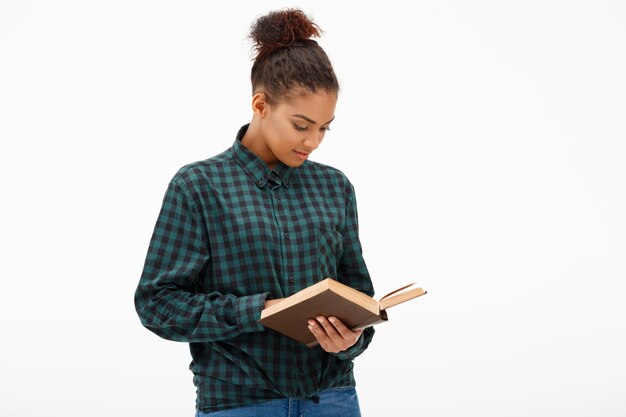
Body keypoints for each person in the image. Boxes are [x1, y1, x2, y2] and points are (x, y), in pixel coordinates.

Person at [134, 8, 375, 417]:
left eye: (324, 127)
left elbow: (358, 294)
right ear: (260, 105)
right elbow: (157, 304)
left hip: (332, 399)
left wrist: (351, 338)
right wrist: (257, 312)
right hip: (239, 404)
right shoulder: (198, 186)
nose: (314, 141)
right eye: (301, 125)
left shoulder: (335, 186)